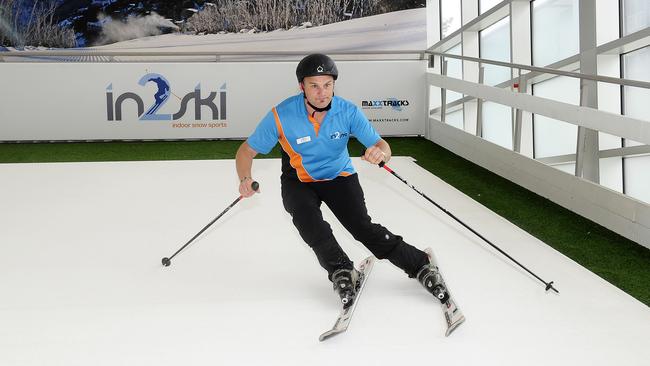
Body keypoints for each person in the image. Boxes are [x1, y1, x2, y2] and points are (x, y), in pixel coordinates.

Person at [235, 53, 448, 307]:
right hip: (299, 180)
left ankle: (420, 264)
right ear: (302, 86)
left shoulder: (347, 111)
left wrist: (380, 152)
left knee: (362, 228)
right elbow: (246, 151)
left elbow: (382, 145)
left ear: (334, 84)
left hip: (340, 176)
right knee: (309, 222)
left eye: (327, 85)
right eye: (314, 85)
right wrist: (245, 178)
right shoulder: (281, 115)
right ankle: (342, 270)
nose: (322, 92)